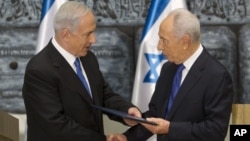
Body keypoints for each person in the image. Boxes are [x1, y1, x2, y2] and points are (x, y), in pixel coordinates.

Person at [22, 1, 141, 141]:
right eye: (88, 34)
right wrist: (103, 139)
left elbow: (103, 95)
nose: (94, 39)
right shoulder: (40, 69)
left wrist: (125, 111)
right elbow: (55, 125)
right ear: (66, 34)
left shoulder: (88, 58)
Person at [110, 8, 234, 141]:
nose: (159, 46)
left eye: (164, 40)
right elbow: (155, 115)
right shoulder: (168, 68)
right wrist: (126, 137)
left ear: (185, 42)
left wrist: (170, 128)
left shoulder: (217, 75)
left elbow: (215, 130)